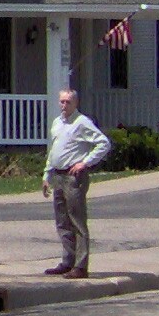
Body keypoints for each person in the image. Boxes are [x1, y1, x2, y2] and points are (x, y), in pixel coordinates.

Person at [42, 88, 111, 277]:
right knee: (62, 221)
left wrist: (85, 162)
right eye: (62, 101)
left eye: (68, 102)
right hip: (58, 175)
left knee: (77, 220)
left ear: (75, 103)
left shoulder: (82, 122)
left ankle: (80, 266)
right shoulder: (57, 122)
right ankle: (68, 261)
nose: (64, 105)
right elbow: (54, 150)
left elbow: (103, 143)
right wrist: (47, 175)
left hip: (74, 177)